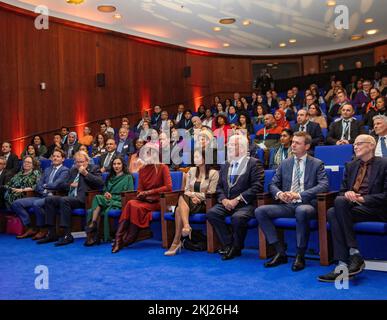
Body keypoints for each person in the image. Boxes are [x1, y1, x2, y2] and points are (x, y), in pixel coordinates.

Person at [255, 132, 329, 271]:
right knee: (260, 211)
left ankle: (300, 255)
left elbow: (324, 185)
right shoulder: (285, 163)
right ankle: (280, 252)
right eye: (293, 142)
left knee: (301, 210)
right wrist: (280, 194)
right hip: (288, 205)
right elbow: (272, 184)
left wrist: (299, 195)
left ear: (307, 146)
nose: (293, 145)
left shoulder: (317, 163)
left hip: (307, 205)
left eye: (297, 143)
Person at [318, 135, 387, 282]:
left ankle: (345, 261)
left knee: (333, 211)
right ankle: (351, 256)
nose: (355, 146)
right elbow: (342, 191)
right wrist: (348, 194)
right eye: (354, 144)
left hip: (375, 208)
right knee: (336, 206)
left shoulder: (384, 164)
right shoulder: (350, 165)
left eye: (359, 144)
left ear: (371, 146)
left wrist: (361, 198)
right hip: (351, 207)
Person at [207, 135, 264, 260]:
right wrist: (223, 199)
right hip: (227, 202)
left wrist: (237, 199)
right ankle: (229, 245)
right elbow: (219, 187)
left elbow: (257, 186)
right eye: (229, 145)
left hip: (245, 203)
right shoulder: (226, 164)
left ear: (243, 148)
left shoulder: (254, 163)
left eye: (233, 145)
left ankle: (236, 247)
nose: (229, 147)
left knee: (237, 218)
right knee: (212, 213)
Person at [112, 143, 172, 253]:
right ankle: (119, 238)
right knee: (131, 203)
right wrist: (141, 194)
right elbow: (139, 189)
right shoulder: (142, 169)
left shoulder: (163, 167)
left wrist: (149, 192)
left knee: (134, 206)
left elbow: (168, 187)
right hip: (145, 200)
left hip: (159, 201)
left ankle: (128, 238)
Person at [37, 151, 104, 246]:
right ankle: (51, 233)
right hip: (71, 196)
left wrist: (86, 174)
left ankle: (67, 235)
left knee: (64, 200)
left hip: (84, 199)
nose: (79, 164)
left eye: (81, 162)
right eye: (77, 162)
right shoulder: (73, 170)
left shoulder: (94, 168)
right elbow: (63, 185)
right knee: (49, 199)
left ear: (87, 161)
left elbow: (100, 183)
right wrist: (70, 185)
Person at [164, 150, 219, 256]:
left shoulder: (213, 173)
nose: (195, 159)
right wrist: (193, 195)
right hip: (190, 202)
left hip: (204, 204)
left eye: (197, 157)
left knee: (181, 203)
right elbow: (186, 190)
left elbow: (211, 193)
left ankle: (176, 242)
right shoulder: (191, 171)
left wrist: (196, 196)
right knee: (181, 202)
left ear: (205, 158)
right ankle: (186, 227)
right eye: (194, 157)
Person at [11, 149, 70, 240]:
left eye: (58, 156)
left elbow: (56, 184)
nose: (55, 158)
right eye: (54, 156)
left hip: (54, 196)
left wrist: (45, 186)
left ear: (63, 159)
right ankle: (30, 227)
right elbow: (39, 185)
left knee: (36, 204)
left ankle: (43, 229)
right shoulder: (47, 169)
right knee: (16, 203)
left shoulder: (65, 170)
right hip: (42, 195)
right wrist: (44, 190)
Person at [85, 156, 134, 245]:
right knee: (97, 199)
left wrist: (112, 197)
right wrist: (106, 193)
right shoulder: (109, 177)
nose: (116, 166)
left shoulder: (128, 177)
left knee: (97, 198)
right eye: (114, 164)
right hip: (107, 200)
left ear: (123, 165)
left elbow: (129, 194)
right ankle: (94, 228)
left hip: (119, 201)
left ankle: (92, 227)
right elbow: (105, 190)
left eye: (119, 164)